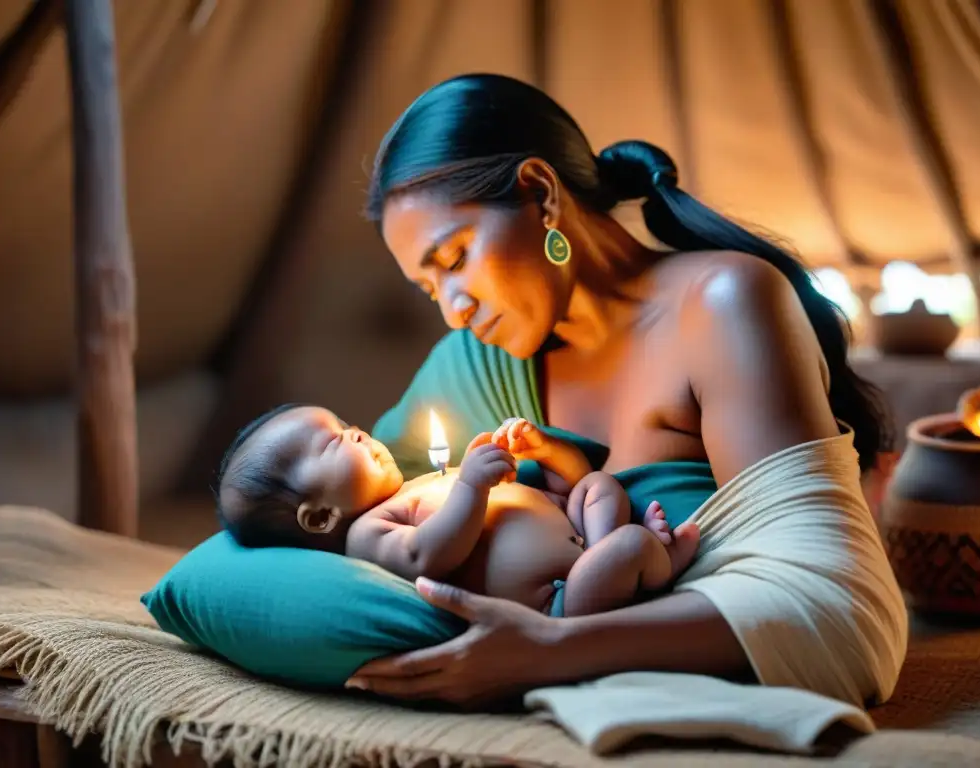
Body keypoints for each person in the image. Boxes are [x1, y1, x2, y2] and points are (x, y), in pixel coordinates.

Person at [348, 73, 900, 707]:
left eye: (454, 259)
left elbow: (845, 616)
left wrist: (550, 649)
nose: (453, 310)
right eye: (428, 288)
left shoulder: (720, 305)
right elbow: (325, 507)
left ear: (540, 194)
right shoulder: (475, 365)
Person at [216, 404, 699, 618]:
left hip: (581, 534)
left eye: (345, 423)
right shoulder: (370, 532)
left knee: (595, 485)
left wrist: (541, 451)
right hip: (563, 601)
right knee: (630, 544)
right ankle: (656, 562)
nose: (357, 430)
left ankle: (610, 546)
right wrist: (470, 486)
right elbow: (429, 556)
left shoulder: (423, 482)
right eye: (333, 441)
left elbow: (564, 484)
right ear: (320, 518)